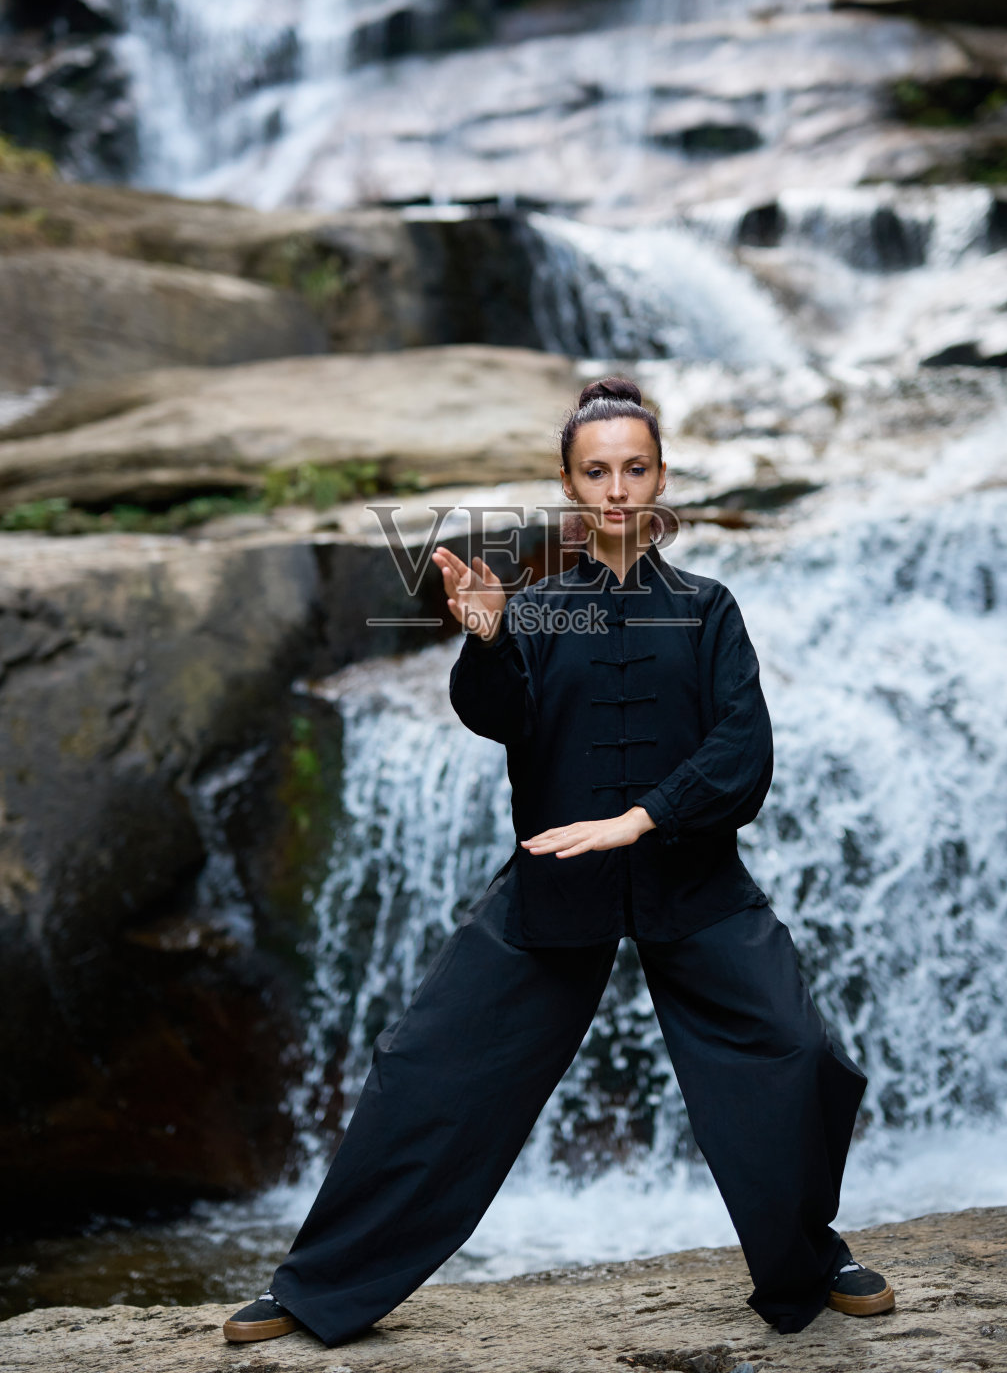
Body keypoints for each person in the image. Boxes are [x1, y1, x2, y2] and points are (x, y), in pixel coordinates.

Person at [222, 376, 895, 1347]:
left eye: (633, 468)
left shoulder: (707, 610)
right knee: (421, 1066)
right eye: (595, 471)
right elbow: (500, 716)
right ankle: (318, 1285)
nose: (616, 489)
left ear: (660, 477)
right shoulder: (538, 609)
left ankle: (808, 1254)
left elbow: (741, 749)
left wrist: (641, 818)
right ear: (570, 487)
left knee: (795, 1050)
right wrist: (486, 636)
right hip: (552, 885)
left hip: (690, 880)